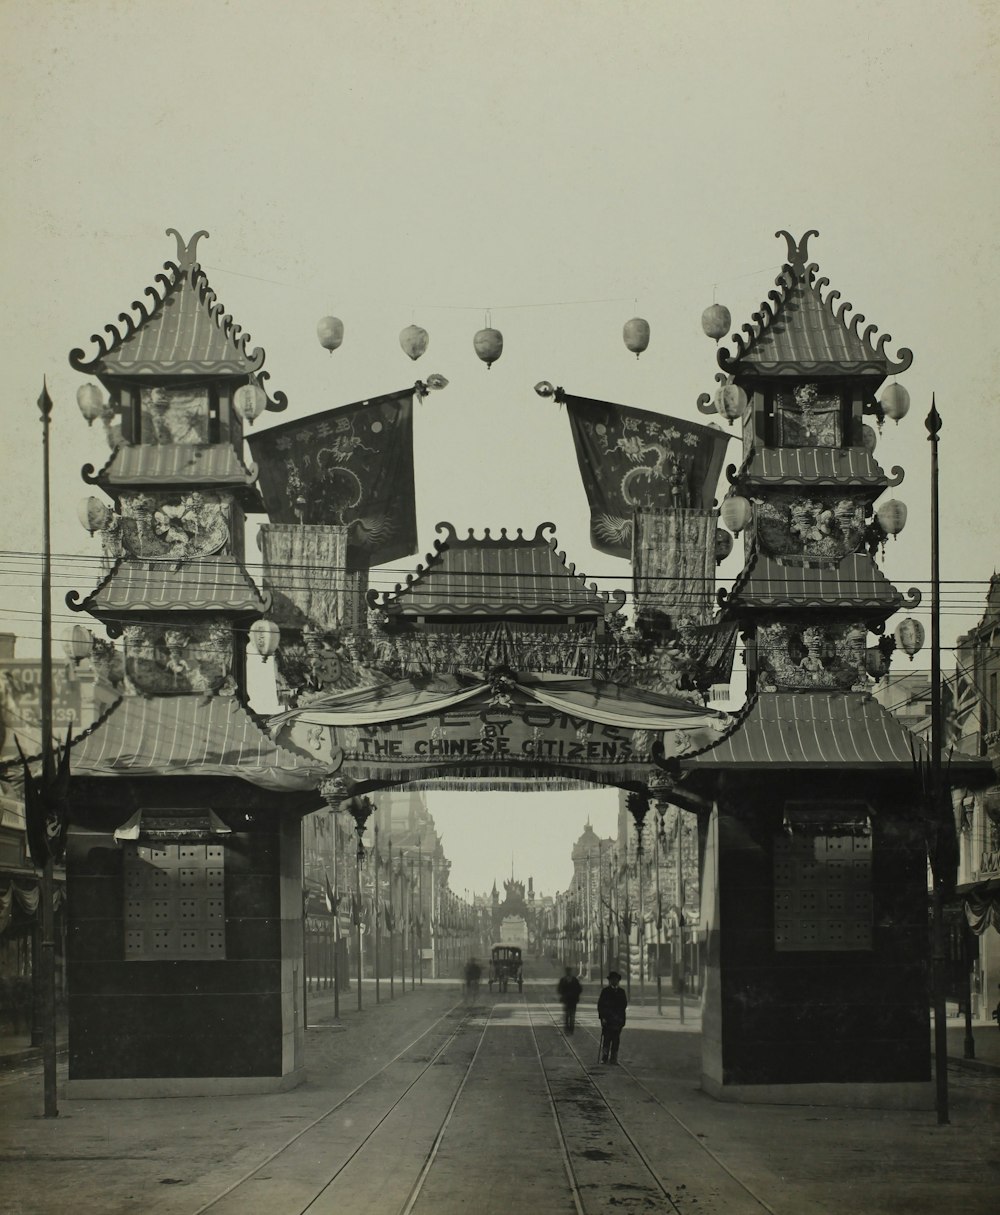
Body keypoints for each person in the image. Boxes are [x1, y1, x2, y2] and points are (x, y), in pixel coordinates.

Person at [597, 970, 628, 1064]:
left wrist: (621, 1019)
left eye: (616, 980)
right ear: (610, 981)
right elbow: (600, 1005)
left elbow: (624, 1005)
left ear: (618, 981)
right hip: (607, 1020)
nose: (614, 981)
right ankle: (604, 1057)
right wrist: (602, 1018)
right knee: (606, 1039)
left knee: (616, 1040)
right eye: (612, 980)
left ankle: (614, 1058)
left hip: (617, 1020)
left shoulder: (621, 992)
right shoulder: (605, 991)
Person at [557, 966, 582, 1033]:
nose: (568, 973)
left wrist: (575, 994)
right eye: (567, 971)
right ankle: (567, 1028)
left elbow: (579, 989)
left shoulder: (574, 980)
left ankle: (571, 1029)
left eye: (569, 971)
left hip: (573, 1000)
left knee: (572, 1015)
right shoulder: (563, 980)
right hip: (566, 1000)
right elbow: (559, 989)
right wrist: (564, 994)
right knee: (567, 1015)